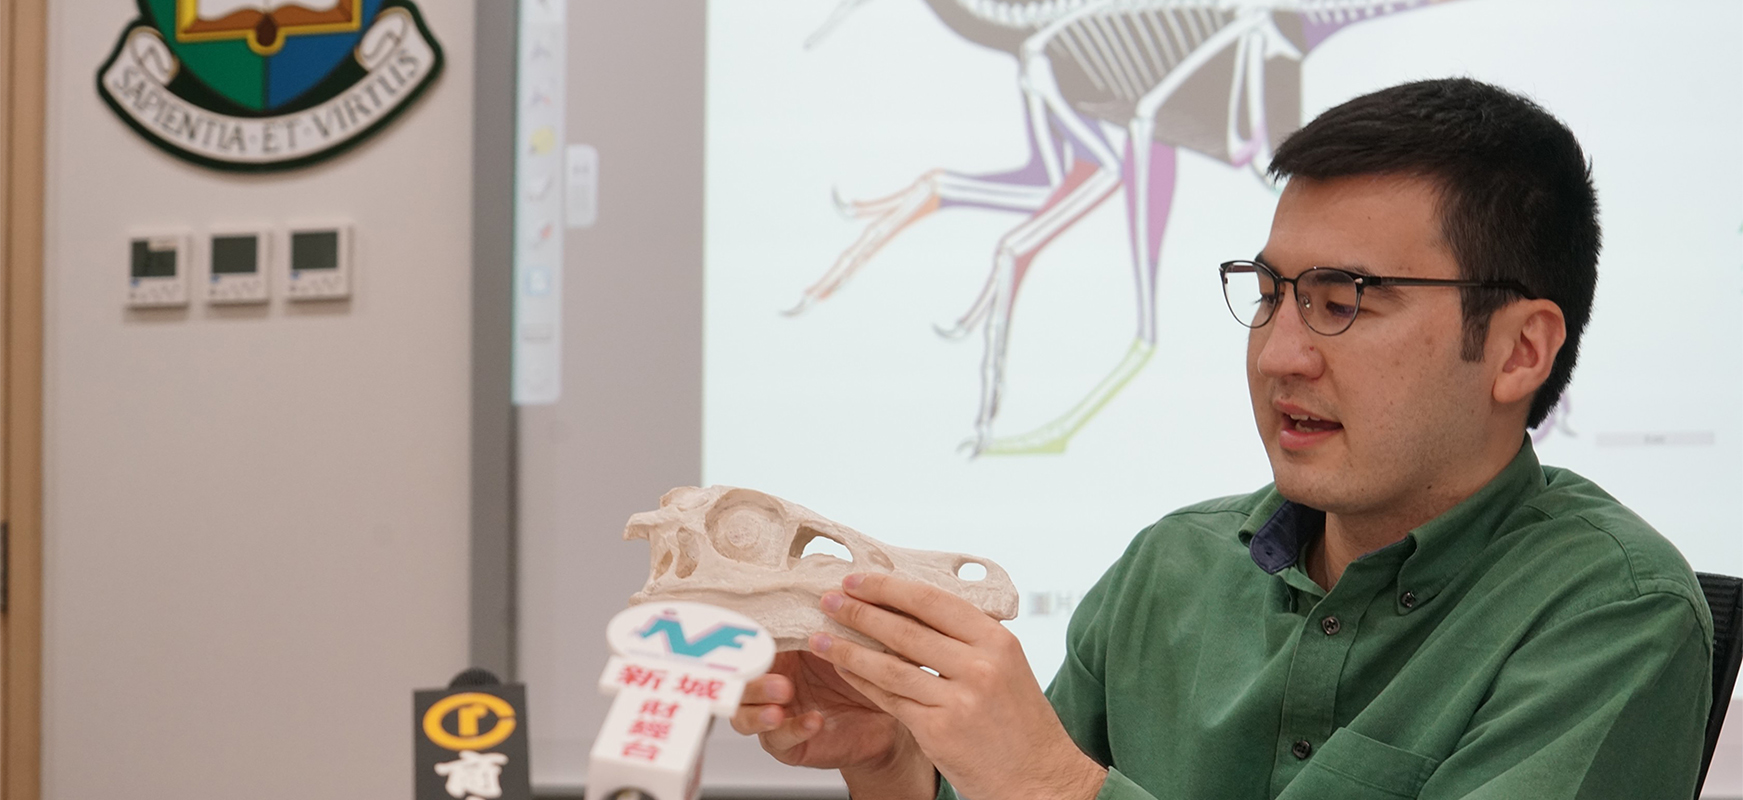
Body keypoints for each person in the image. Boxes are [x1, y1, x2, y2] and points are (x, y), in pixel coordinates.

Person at [730, 78, 1715, 800]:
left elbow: (1043, 786)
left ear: (1518, 350)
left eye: (1342, 300)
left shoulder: (1614, 613)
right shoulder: (1173, 567)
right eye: (1270, 292)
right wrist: (892, 760)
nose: (1279, 352)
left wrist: (1054, 784)